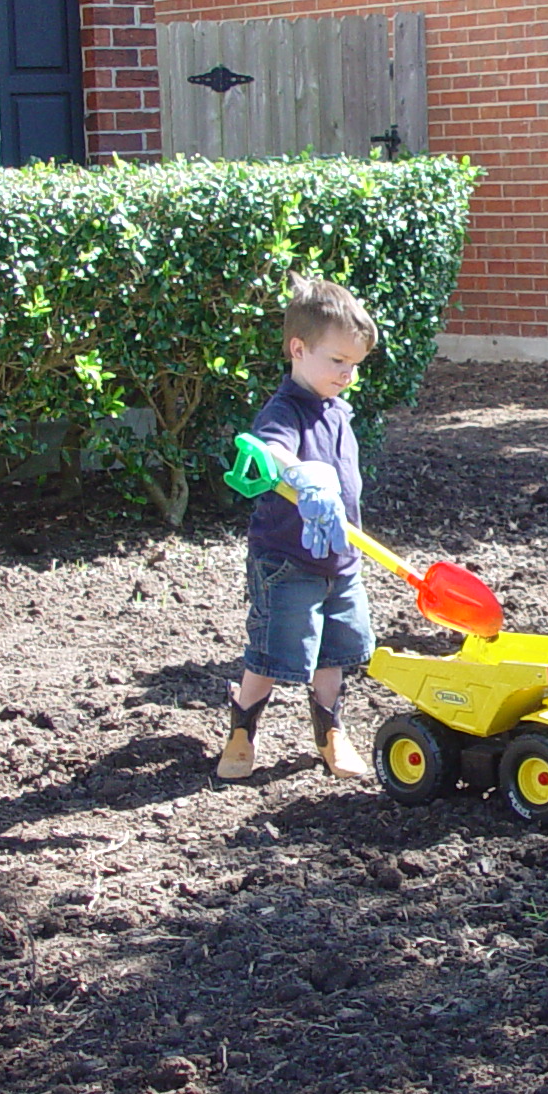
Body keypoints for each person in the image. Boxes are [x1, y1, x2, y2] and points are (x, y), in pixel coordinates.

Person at [218, 277, 380, 782]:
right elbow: (270, 449)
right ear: (298, 348)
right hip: (287, 561)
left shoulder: (337, 408)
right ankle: (242, 728)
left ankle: (330, 731)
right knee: (273, 652)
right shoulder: (285, 410)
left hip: (341, 559)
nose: (347, 374)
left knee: (333, 654)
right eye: (337, 361)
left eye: (354, 365)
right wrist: (301, 474)